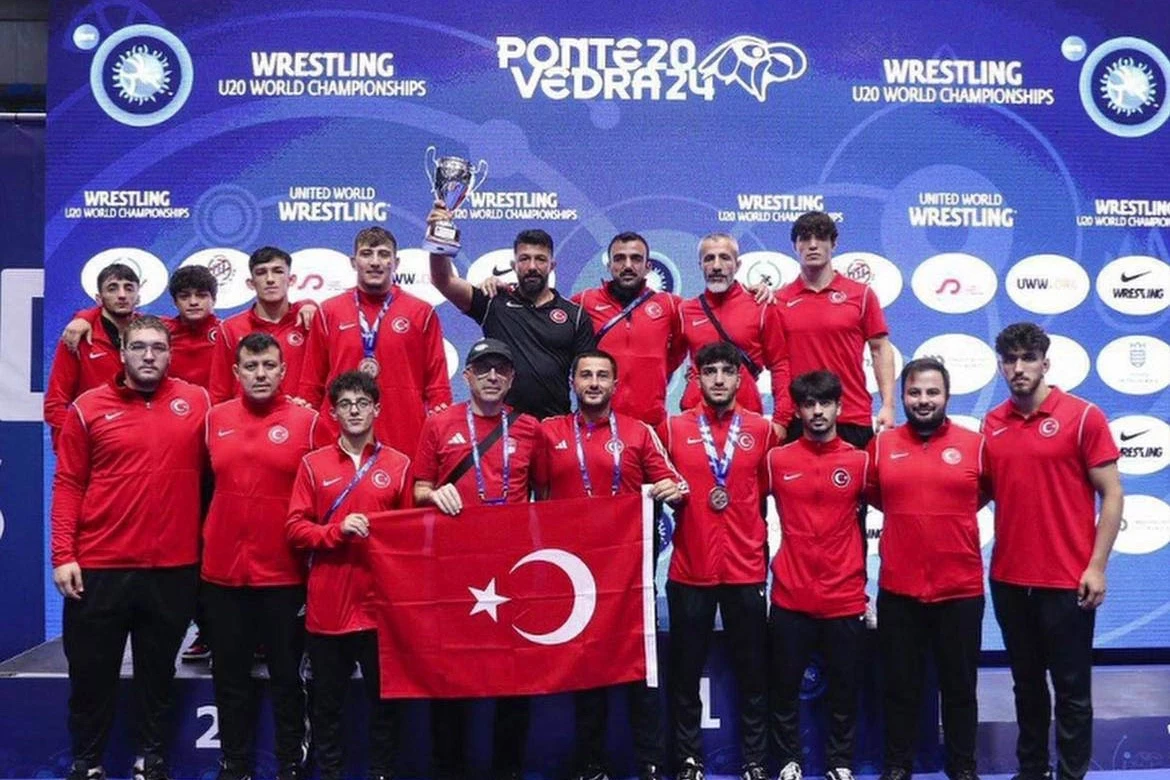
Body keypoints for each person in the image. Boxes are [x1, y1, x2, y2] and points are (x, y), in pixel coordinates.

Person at [50, 315, 211, 780]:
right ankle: (88, 763)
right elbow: (68, 483)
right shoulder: (87, 407)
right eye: (138, 346)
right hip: (100, 567)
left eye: (158, 347)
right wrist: (63, 555)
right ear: (122, 353)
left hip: (173, 568)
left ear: (170, 354)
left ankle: (151, 760)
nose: (148, 355)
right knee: (90, 675)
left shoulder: (198, 402)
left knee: (157, 674)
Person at [534, 350, 687, 780]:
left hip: (629, 579)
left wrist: (671, 491)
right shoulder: (549, 433)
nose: (594, 383)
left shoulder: (638, 432)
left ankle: (650, 763)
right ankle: (591, 765)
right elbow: (534, 495)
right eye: (586, 375)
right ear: (573, 382)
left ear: (615, 385)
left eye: (602, 376)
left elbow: (675, 483)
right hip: (576, 579)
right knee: (587, 673)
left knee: (642, 673)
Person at [982, 323, 1123, 780]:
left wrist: (1097, 567)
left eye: (1027, 358)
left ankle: (1070, 775)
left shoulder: (1083, 417)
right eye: (1010, 360)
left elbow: (1112, 494)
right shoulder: (992, 423)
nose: (1018, 368)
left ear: (1045, 363)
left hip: (1066, 581)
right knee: (1026, 687)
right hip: (1008, 579)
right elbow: (979, 491)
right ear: (1001, 366)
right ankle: (1032, 771)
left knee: (1072, 690)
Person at [412, 338, 543, 780]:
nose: (491, 376)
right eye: (483, 368)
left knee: (514, 675)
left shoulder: (529, 428)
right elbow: (418, 488)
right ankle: (449, 769)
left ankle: (508, 770)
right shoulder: (438, 424)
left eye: (500, 369)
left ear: (512, 378)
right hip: (454, 568)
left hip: (511, 569)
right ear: (466, 376)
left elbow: (545, 495)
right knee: (452, 672)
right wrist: (435, 494)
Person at [201, 333, 326, 780]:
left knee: (287, 677)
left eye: (269, 366)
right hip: (221, 575)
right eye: (251, 367)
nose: (260, 374)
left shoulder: (309, 423)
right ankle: (234, 764)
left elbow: (330, 489)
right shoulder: (213, 419)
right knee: (229, 677)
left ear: (283, 371)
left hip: (284, 575)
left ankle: (291, 762)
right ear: (236, 372)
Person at [286, 371, 412, 780]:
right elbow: (295, 529)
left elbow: (410, 537)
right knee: (326, 704)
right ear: (333, 413)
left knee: (385, 704)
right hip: (328, 607)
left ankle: (381, 772)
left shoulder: (399, 464)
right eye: (345, 404)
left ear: (377, 409)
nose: (354, 411)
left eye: (362, 403)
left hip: (380, 610)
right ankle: (330, 772)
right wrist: (335, 532)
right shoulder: (312, 464)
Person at [867, 358, 988, 780]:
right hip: (899, 589)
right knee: (899, 687)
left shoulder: (975, 445)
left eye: (932, 392)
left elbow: (984, 492)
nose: (923, 400)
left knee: (960, 688)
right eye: (915, 392)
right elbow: (876, 495)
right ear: (902, 397)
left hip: (961, 590)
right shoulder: (881, 445)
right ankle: (897, 766)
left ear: (947, 397)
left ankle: (962, 767)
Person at [662, 341, 776, 780]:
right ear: (697, 378)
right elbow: (656, 484)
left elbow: (766, 491)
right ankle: (688, 760)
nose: (719, 379)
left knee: (754, 673)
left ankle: (754, 761)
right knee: (685, 674)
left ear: (740, 378)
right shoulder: (672, 429)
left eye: (728, 371)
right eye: (709, 371)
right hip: (690, 569)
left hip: (745, 569)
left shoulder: (762, 431)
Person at [766, 371, 868, 780]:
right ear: (799, 410)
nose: (818, 412)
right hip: (790, 594)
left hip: (844, 595)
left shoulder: (861, 461)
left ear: (839, 407)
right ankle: (788, 761)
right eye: (809, 404)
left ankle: (839, 762)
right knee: (784, 687)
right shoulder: (777, 460)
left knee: (844, 688)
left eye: (825, 403)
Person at [426, 207, 597, 417]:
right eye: (524, 259)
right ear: (513, 265)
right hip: (502, 426)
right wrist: (439, 235)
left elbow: (588, 375)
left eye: (540, 259)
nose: (532, 266)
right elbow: (443, 280)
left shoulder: (575, 316)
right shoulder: (493, 301)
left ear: (552, 265)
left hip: (554, 424)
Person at [297, 226, 452, 455]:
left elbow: (438, 385)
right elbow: (312, 384)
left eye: (384, 254)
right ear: (353, 262)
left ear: (396, 263)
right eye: (367, 254)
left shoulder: (422, 312)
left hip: (404, 436)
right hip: (338, 439)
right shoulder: (329, 311)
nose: (375, 262)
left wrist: (442, 432)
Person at [777, 211, 895, 445]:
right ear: (795, 246)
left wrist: (888, 405)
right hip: (799, 418)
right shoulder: (779, 300)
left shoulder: (861, 295)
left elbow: (880, 349)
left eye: (821, 237)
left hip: (851, 416)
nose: (813, 245)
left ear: (834, 243)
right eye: (805, 238)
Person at [677, 233, 790, 438]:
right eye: (709, 259)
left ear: (737, 265)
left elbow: (780, 365)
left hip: (746, 418)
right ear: (700, 265)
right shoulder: (685, 310)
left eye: (725, 258)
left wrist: (781, 420)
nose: (716, 266)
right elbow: (665, 363)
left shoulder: (761, 306)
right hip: (695, 420)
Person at [570, 232, 686, 427]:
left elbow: (682, 346)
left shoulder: (670, 305)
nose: (628, 266)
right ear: (609, 265)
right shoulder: (584, 301)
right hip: (598, 422)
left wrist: (655, 368)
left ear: (648, 266)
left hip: (651, 423)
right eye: (619, 259)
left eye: (636, 259)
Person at [45, 262, 140, 448]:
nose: (122, 295)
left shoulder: (152, 334)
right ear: (99, 298)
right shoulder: (76, 338)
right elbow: (55, 404)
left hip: (137, 443)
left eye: (129, 288)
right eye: (112, 288)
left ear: (138, 297)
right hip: (93, 445)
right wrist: (77, 441)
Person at [208, 246, 317, 403]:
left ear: (291, 280)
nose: (270, 279)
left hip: (302, 414)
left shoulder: (309, 321)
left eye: (278, 271)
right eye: (261, 272)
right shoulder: (230, 328)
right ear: (251, 283)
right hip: (247, 417)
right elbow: (220, 392)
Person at [162, 265, 220, 387]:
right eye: (184, 297)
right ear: (175, 302)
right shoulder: (161, 334)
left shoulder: (226, 333)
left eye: (201, 295)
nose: (193, 302)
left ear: (214, 300)